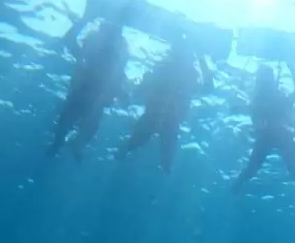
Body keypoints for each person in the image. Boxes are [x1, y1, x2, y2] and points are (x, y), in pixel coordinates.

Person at [117, 36, 213, 174]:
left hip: (164, 118)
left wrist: (201, 58)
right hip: (159, 116)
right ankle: (124, 157)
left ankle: (124, 157)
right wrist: (202, 58)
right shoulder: (173, 69)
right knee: (152, 152)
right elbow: (208, 88)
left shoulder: (182, 71)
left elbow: (208, 88)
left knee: (162, 158)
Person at [48, 19, 129, 161]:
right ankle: (62, 144)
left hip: (94, 94)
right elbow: (71, 43)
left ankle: (69, 145)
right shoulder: (101, 41)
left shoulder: (117, 46)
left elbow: (71, 43)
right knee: (68, 124)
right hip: (85, 92)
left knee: (86, 127)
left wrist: (84, 20)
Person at [232, 62, 295, 192]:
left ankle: (236, 188)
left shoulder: (264, 98)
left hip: (275, 135)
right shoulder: (263, 98)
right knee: (253, 169)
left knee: (291, 169)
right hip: (275, 135)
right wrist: (292, 69)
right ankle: (236, 188)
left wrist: (292, 69)